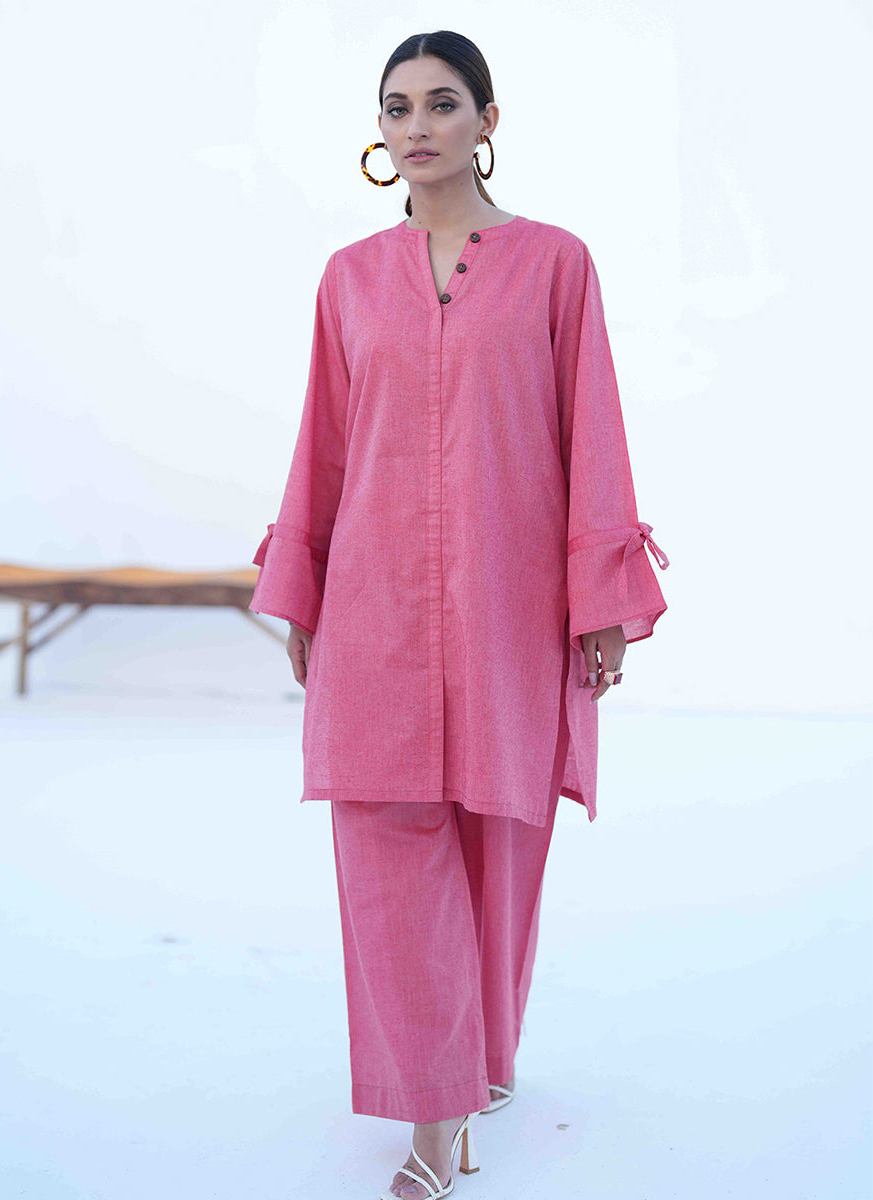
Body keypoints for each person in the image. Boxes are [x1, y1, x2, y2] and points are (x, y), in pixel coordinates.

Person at [249, 29, 670, 1200]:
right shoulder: (349, 278)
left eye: (442, 103)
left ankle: (482, 1057)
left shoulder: (556, 265)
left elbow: (592, 430)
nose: (417, 125)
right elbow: (325, 445)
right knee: (386, 847)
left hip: (510, 601)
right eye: (397, 107)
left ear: (488, 120)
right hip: (374, 603)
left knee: (503, 842)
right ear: (379, 133)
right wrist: (303, 586)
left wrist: (601, 600)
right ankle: (436, 1119)